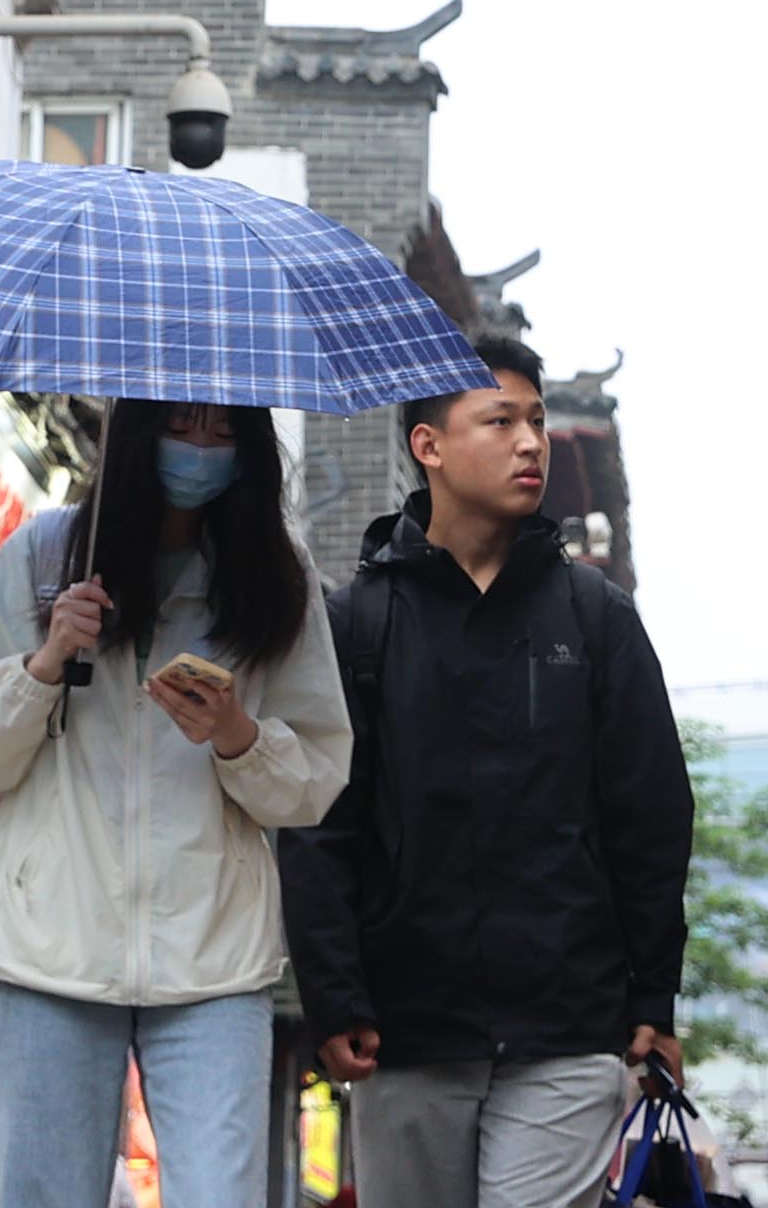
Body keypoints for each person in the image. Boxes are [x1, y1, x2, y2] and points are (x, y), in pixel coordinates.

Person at [286, 333, 694, 1208]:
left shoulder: (594, 619)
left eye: (538, 422)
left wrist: (653, 994)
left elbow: (652, 814)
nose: (531, 443)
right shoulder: (358, 623)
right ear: (427, 445)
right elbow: (320, 823)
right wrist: (333, 995)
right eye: (500, 420)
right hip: (406, 1026)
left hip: (568, 1026)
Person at [0, 401, 353, 1208]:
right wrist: (44, 661)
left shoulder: (275, 582)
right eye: (183, 427)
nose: (202, 450)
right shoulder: (46, 556)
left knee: (221, 1197)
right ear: (140, 432)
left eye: (225, 434)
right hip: (44, 948)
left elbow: (318, 778)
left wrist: (236, 737)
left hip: (213, 960)